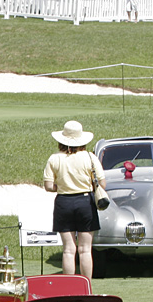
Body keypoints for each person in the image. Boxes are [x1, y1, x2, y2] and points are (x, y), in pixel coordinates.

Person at [42, 120, 105, 281]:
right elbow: (102, 183)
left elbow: (49, 186)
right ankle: (86, 286)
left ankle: (69, 287)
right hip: (85, 202)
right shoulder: (90, 157)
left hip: (64, 202)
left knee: (69, 250)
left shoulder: (54, 159)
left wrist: (62, 186)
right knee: (85, 249)